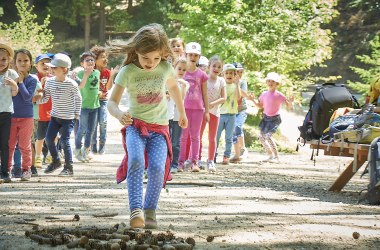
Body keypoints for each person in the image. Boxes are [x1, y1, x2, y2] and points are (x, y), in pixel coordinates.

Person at [107, 23, 188, 229]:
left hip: (160, 129)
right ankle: (136, 210)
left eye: (156, 58)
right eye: (145, 58)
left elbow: (174, 88)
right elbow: (112, 102)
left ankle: (149, 209)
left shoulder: (165, 68)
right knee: (135, 160)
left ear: (162, 54)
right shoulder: (127, 71)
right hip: (136, 126)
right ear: (136, 52)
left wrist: (182, 112)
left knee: (157, 167)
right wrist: (119, 114)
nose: (151, 62)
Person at [35, 53, 82, 176]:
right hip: (55, 117)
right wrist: (37, 99)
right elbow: (45, 99)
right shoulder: (50, 82)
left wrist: (77, 114)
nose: (51, 69)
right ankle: (56, 161)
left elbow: (78, 99)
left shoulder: (72, 84)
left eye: (55, 68)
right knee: (49, 139)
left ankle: (68, 167)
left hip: (68, 118)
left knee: (64, 141)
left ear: (64, 69)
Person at [178, 42, 209, 172]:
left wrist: (207, 110)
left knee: (195, 136)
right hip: (184, 109)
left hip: (198, 109)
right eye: (190, 54)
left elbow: (205, 93)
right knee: (183, 136)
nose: (192, 57)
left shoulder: (202, 74)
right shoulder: (181, 72)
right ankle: (180, 162)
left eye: (195, 55)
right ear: (186, 55)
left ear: (199, 57)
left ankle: (194, 162)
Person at [7, 49, 37, 181]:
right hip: (11, 117)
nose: (22, 63)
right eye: (19, 60)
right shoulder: (9, 79)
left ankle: (26, 170)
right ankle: (6, 169)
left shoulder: (32, 80)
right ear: (14, 63)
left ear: (31, 63)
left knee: (24, 146)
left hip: (26, 118)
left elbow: (27, 97)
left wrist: (20, 82)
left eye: (26, 60)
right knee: (9, 145)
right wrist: (16, 81)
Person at [251, 72, 294, 162]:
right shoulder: (264, 94)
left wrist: (290, 102)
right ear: (266, 82)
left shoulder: (280, 95)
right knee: (261, 137)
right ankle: (270, 155)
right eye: (269, 81)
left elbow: (289, 107)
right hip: (266, 118)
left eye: (273, 81)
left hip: (275, 119)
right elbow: (260, 106)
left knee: (268, 136)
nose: (270, 83)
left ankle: (277, 156)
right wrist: (253, 100)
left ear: (277, 84)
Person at [90, 46, 119, 155]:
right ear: (95, 59)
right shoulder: (91, 72)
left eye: (106, 56)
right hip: (92, 101)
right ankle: (93, 145)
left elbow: (108, 88)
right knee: (93, 124)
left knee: (103, 122)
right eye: (102, 57)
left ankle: (102, 145)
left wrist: (111, 76)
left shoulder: (107, 72)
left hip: (103, 101)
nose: (105, 59)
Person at [199, 55, 226, 172]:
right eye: (214, 66)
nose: (216, 68)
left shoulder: (221, 81)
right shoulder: (204, 78)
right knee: (198, 136)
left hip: (215, 112)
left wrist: (213, 103)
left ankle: (210, 160)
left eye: (219, 67)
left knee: (212, 138)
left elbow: (224, 97)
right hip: (202, 112)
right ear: (209, 66)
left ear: (221, 69)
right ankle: (197, 159)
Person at [74, 52, 100, 162]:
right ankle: (78, 150)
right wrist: (85, 74)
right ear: (82, 63)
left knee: (91, 130)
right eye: (87, 60)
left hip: (95, 105)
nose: (90, 62)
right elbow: (81, 85)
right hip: (83, 106)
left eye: (92, 60)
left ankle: (86, 150)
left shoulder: (97, 72)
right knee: (82, 129)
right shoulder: (80, 73)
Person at [0, 44, 19, 183]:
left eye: (4, 59)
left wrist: (14, 85)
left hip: (6, 112)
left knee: (4, 144)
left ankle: (5, 171)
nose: (1, 62)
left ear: (9, 60)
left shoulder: (12, 74)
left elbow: (14, 94)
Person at [215, 64, 241, 165]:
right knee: (216, 136)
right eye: (227, 73)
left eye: (231, 73)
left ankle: (226, 156)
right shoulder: (221, 85)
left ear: (234, 75)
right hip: (220, 114)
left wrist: (237, 84)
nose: (229, 75)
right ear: (223, 74)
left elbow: (238, 98)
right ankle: (213, 155)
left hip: (231, 115)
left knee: (229, 137)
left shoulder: (235, 86)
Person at [168, 57, 189, 173]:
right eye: (179, 68)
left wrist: (183, 87)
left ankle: (174, 164)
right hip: (168, 116)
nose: (181, 71)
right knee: (167, 141)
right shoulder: (169, 81)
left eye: (184, 70)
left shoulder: (185, 84)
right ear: (174, 68)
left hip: (178, 117)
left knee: (176, 142)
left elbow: (180, 99)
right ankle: (166, 163)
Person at [33, 54, 54, 169]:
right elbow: (35, 94)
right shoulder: (34, 78)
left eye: (48, 63)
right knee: (40, 137)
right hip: (40, 113)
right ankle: (38, 156)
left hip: (53, 112)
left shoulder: (54, 78)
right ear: (36, 66)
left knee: (54, 136)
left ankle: (51, 155)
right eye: (42, 63)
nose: (46, 65)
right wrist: (41, 82)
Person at [230, 62, 250, 163]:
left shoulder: (242, 82)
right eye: (237, 72)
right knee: (233, 131)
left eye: (241, 72)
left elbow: (244, 94)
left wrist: (236, 84)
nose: (239, 74)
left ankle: (243, 149)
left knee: (238, 126)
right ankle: (236, 153)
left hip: (241, 110)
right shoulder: (227, 81)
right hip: (231, 110)